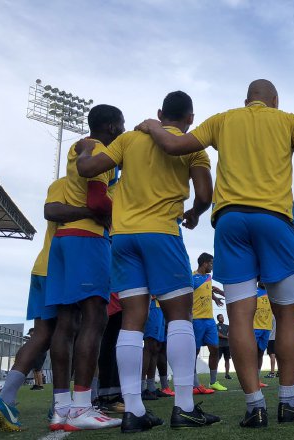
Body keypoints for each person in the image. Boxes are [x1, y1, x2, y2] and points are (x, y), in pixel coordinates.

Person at [137, 79, 294, 427]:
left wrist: (154, 125)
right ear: (275, 101)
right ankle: (289, 402)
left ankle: (254, 406)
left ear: (245, 101)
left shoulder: (224, 119)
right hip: (274, 220)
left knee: (241, 317)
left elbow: (173, 145)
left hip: (231, 222)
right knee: (288, 314)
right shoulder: (288, 120)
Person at [75, 92, 219, 432]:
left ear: (159, 112)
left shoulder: (128, 139)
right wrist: (195, 214)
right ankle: (183, 406)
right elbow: (204, 195)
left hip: (123, 238)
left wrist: (83, 150)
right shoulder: (192, 145)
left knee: (132, 322)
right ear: (190, 118)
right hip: (162, 235)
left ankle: (133, 411)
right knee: (179, 318)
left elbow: (88, 169)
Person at [0, 178, 103, 432]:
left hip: (43, 266)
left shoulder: (67, 185)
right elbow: (51, 211)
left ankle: (6, 397)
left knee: (43, 335)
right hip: (62, 266)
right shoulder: (81, 187)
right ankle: (61, 406)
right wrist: (92, 212)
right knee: (71, 330)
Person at [46, 104, 123, 431]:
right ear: (109, 126)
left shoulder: (80, 145)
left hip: (63, 240)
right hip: (88, 239)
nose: (123, 128)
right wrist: (121, 211)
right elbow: (96, 201)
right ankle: (81, 405)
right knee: (94, 319)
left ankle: (61, 408)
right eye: (121, 123)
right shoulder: (100, 150)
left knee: (67, 322)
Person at [191, 253, 226, 393]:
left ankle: (213, 382)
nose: (212, 266)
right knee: (195, 351)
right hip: (196, 320)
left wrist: (215, 298)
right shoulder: (192, 277)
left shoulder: (208, 278)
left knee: (215, 349)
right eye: (211, 263)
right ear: (204, 263)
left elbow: (207, 289)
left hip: (209, 320)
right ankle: (194, 383)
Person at [141, 298, 166, 401]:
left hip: (161, 306)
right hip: (152, 304)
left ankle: (151, 387)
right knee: (149, 345)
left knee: (156, 348)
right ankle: (141, 388)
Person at [254, 284, 274, 388]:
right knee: (251, 354)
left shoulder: (271, 292)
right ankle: (249, 380)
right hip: (254, 327)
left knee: (260, 353)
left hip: (267, 328)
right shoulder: (253, 291)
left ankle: (257, 380)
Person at [216, 314, 232, 380]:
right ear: (218, 319)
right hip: (219, 346)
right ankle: (214, 374)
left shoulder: (227, 326)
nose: (222, 319)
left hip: (227, 346)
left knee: (227, 360)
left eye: (222, 317)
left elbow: (231, 332)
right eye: (220, 318)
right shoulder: (216, 326)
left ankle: (227, 374)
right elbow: (218, 334)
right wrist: (227, 337)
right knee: (217, 360)